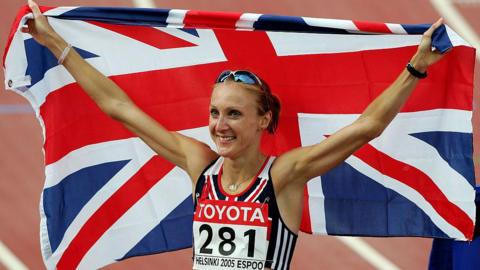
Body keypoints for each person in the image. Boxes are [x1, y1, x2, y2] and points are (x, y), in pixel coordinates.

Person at [24, 0, 445, 269]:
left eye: (233, 114)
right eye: (214, 113)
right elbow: (119, 108)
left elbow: (367, 127)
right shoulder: (199, 167)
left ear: (263, 121)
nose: (219, 125)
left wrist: (416, 67)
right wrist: (59, 46)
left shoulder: (284, 175)